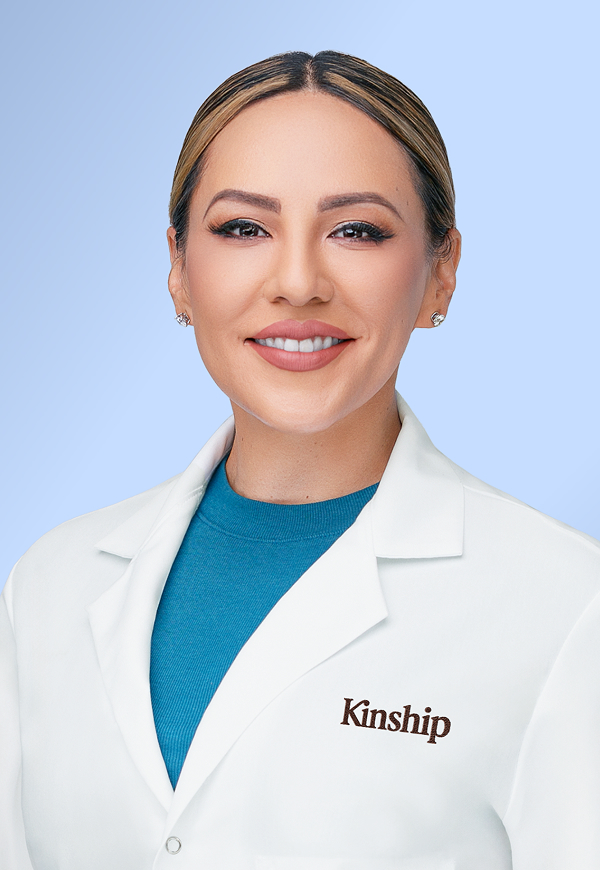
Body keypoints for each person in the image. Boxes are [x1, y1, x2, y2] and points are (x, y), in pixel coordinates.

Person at [1, 50, 600, 870]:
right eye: (243, 228)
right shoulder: (50, 585)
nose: (297, 282)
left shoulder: (566, 606)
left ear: (441, 272)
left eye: (357, 230)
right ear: (178, 269)